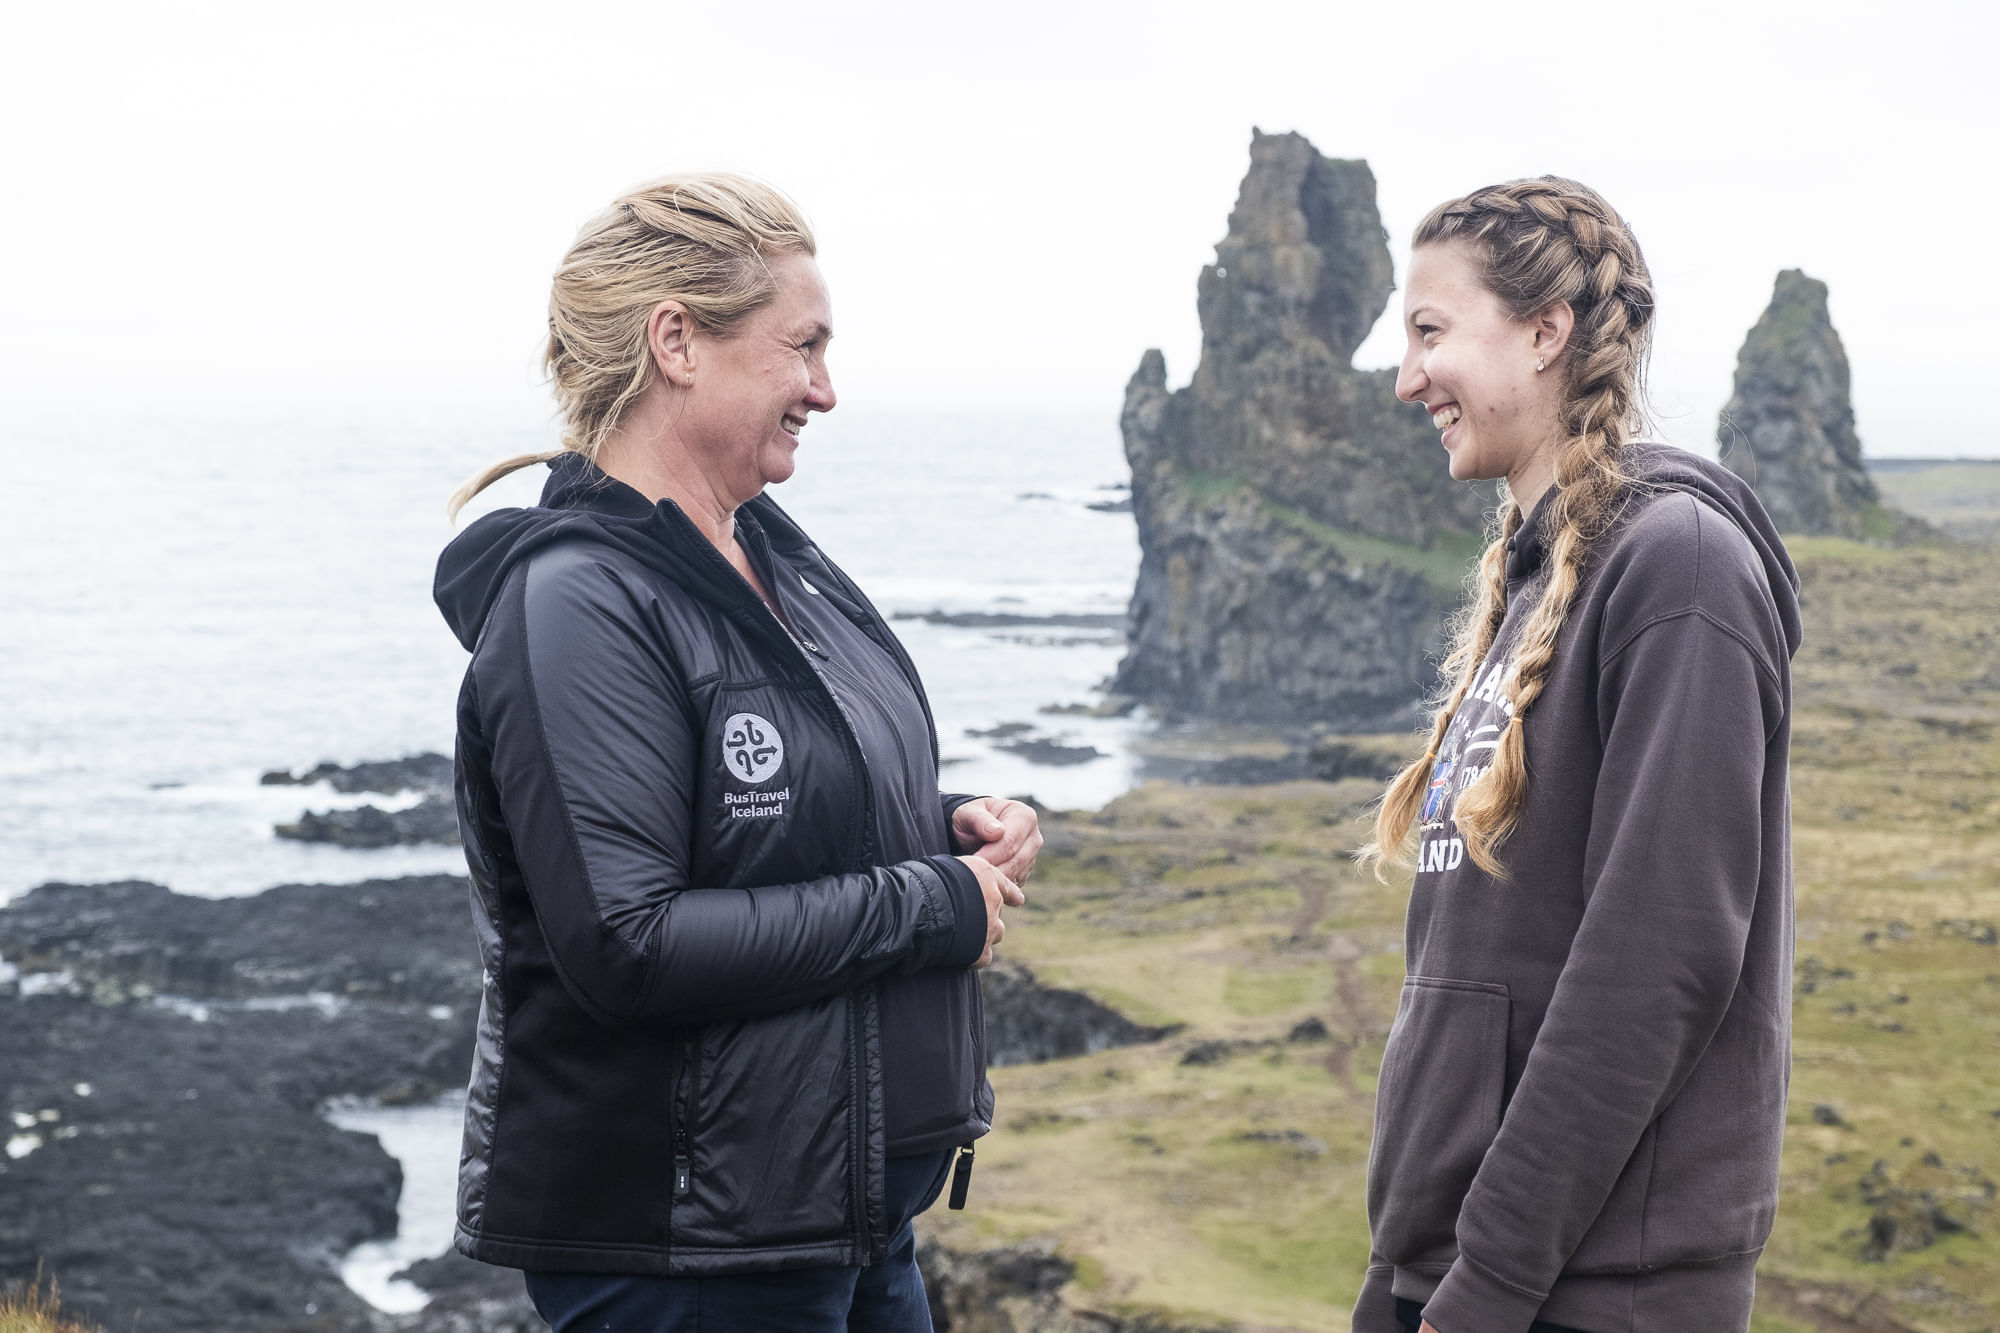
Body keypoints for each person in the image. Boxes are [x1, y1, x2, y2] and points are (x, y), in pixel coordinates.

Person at [431, 173, 1042, 1332]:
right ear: (677, 341)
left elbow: (769, 804)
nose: (824, 388)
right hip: (689, 1252)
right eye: (800, 346)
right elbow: (629, 940)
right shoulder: (578, 603)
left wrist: (947, 818)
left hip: (849, 1218)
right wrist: (929, 902)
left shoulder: (773, 556)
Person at [1352, 178, 1800, 1333]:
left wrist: (1489, 1280)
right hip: (1455, 1269)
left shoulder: (1678, 570)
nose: (1406, 378)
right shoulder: (1540, 572)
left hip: (1588, 1293)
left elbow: (1657, 960)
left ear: (1543, 332)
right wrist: (1401, 1263)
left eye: (1429, 332)